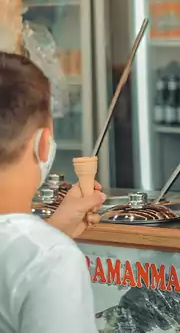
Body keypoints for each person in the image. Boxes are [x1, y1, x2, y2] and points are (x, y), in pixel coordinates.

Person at [0, 52, 105, 333]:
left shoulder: (44, 251)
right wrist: (48, 242)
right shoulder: (52, 260)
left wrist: (52, 230)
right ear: (43, 143)